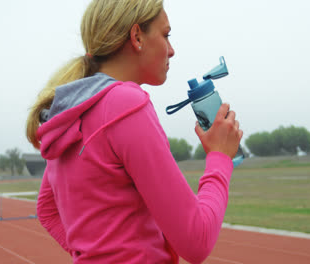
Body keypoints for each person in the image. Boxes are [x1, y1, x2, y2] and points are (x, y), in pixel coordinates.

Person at [26, 0, 243, 263]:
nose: (172, 50)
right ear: (137, 36)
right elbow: (196, 241)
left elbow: (47, 209)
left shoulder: (72, 110)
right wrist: (219, 156)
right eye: (166, 35)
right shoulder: (125, 104)